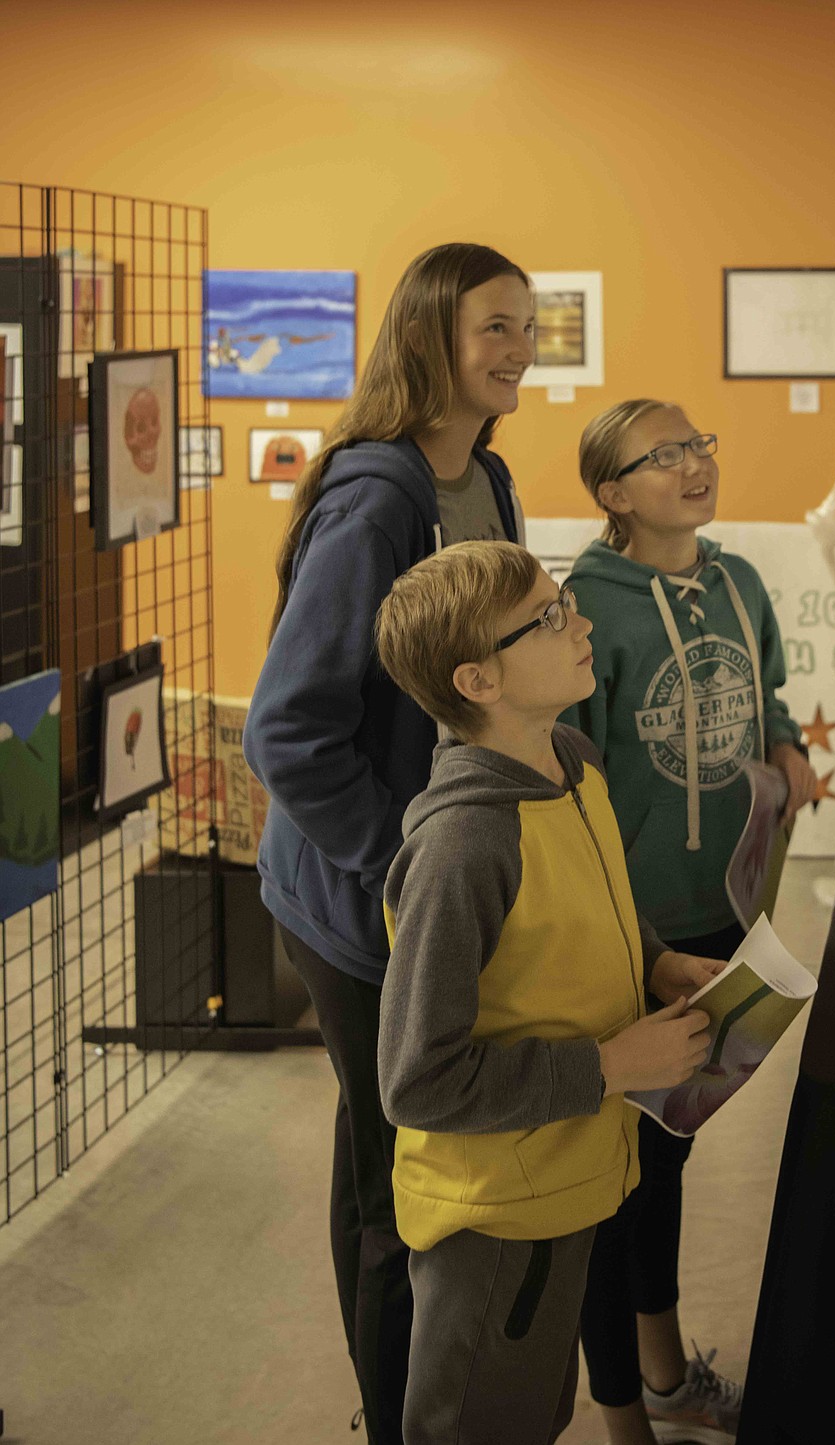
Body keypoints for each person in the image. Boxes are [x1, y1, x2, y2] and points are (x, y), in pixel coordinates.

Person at [241, 243, 534, 1445]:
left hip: (425, 880)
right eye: (496, 328)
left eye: (529, 325)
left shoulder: (491, 476)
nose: (519, 348)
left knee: (407, 1152)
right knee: (387, 1182)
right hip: (357, 900)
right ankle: (390, 1413)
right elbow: (289, 729)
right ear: (430, 340)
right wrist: (399, 862)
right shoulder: (378, 498)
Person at [374, 540, 722, 1444]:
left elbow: (589, 899)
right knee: (485, 1420)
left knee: (535, 1407)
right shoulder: (461, 851)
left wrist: (655, 963)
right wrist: (609, 1064)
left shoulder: (571, 758)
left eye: (564, 601)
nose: (585, 625)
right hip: (497, 1219)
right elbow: (418, 1079)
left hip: (569, 1176)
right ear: (478, 681)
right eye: (551, 618)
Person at [562, 398, 819, 1445]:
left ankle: (663, 1372)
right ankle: (628, 1409)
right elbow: (562, 770)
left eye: (698, 443)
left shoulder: (741, 580)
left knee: (668, 1156)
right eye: (660, 455)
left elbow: (773, 695)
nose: (692, 464)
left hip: (724, 917)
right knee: (610, 1183)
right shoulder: (585, 605)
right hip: (630, 934)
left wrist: (793, 744)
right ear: (613, 492)